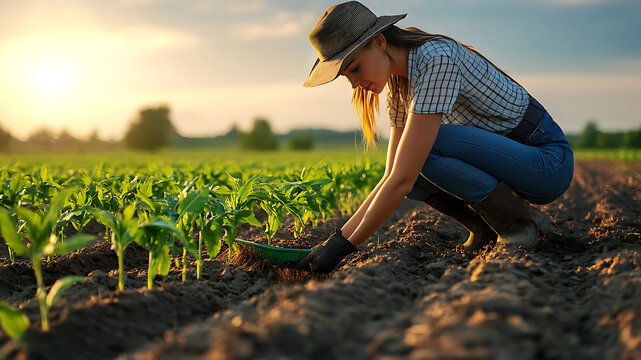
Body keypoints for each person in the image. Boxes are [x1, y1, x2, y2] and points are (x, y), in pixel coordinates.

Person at [297, 1, 574, 273]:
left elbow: (402, 177)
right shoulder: (400, 82)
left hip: (547, 163)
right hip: (512, 160)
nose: (355, 83)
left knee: (421, 155)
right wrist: (336, 241)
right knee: (412, 167)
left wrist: (341, 249)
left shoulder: (436, 59)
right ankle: (485, 228)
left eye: (355, 67)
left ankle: (518, 223)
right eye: (347, 77)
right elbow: (392, 175)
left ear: (379, 42)